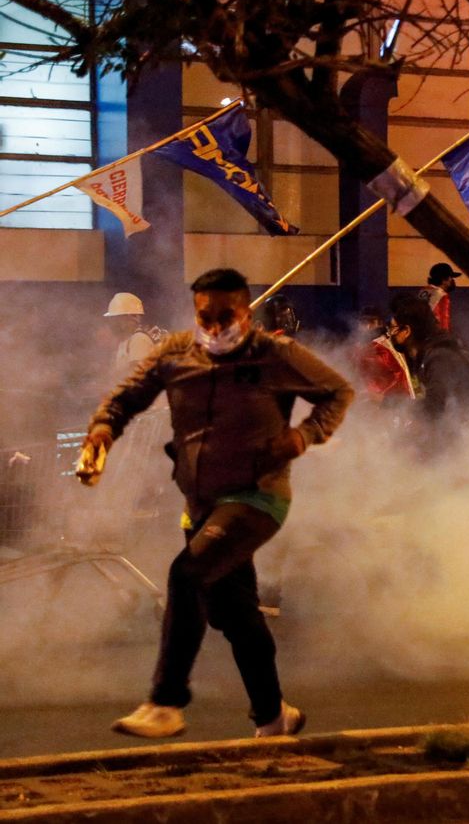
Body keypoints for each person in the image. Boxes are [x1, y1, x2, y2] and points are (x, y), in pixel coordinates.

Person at [82, 268, 353, 739]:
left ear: (245, 310)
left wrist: (305, 435)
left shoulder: (276, 355)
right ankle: (274, 715)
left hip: (257, 496)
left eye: (224, 315)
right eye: (204, 316)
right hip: (200, 499)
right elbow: (125, 398)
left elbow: (338, 392)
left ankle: (166, 703)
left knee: (185, 575)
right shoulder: (175, 354)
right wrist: (102, 432)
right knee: (234, 614)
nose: (213, 326)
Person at [388, 294, 469, 418]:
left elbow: (434, 407)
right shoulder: (429, 355)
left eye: (392, 329)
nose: (390, 334)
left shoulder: (440, 358)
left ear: (406, 331)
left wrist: (387, 403)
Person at [354, 305, 413, 402]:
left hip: (389, 404)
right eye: (363, 322)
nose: (368, 327)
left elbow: (404, 379)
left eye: (372, 322)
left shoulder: (386, 348)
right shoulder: (353, 349)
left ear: (381, 323)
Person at [104, 292, 162, 381]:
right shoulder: (125, 342)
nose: (112, 323)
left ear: (131, 317)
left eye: (116, 318)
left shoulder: (139, 339)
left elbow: (137, 374)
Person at [419, 262, 460, 331]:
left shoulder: (424, 290)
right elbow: (443, 321)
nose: (452, 280)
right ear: (444, 280)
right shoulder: (442, 295)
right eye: (451, 277)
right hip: (434, 333)